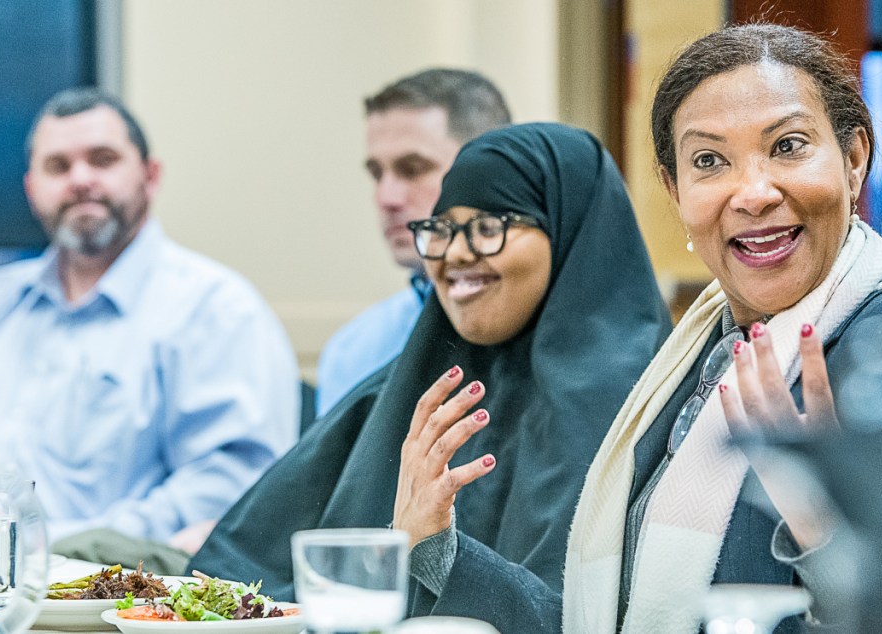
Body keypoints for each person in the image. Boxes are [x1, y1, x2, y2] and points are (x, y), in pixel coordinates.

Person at [189, 123, 673, 633]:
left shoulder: (639, 400)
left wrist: (437, 552)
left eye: (491, 225)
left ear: (569, 230)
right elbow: (238, 573)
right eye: (441, 229)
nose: (457, 253)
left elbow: (593, 618)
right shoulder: (410, 388)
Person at [562, 24, 882, 633]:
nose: (754, 192)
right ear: (674, 189)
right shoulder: (687, 365)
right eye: (709, 161)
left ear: (853, 161)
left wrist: (822, 526)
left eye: (788, 145)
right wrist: (439, 548)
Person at [0, 88, 301, 547]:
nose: (80, 179)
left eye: (102, 159)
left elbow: (231, 490)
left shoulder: (217, 312)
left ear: (151, 175)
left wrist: (46, 544)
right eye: (58, 166)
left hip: (112, 600)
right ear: (32, 188)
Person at [314, 68, 511, 416]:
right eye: (377, 173)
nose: (386, 197)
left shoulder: (544, 336)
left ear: (490, 170)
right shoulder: (352, 350)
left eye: (413, 168)